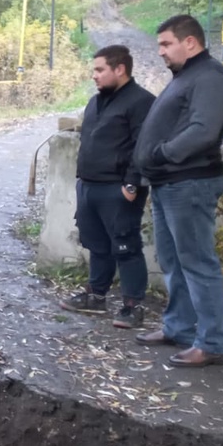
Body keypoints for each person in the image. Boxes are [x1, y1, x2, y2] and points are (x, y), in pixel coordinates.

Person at [132, 14, 223, 368]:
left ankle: (211, 344)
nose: (160, 52)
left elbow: (203, 130)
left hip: (189, 182)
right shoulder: (186, 77)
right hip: (168, 183)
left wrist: (162, 154)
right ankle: (179, 328)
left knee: (197, 263)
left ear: (189, 42)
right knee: (174, 262)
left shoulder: (211, 77)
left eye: (165, 44)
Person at [60, 45, 155, 329]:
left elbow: (144, 145)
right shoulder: (95, 102)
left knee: (125, 245)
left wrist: (132, 183)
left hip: (118, 188)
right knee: (97, 244)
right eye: (94, 70)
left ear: (120, 69)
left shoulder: (142, 102)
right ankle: (96, 295)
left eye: (100, 70)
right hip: (89, 185)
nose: (94, 76)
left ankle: (132, 306)